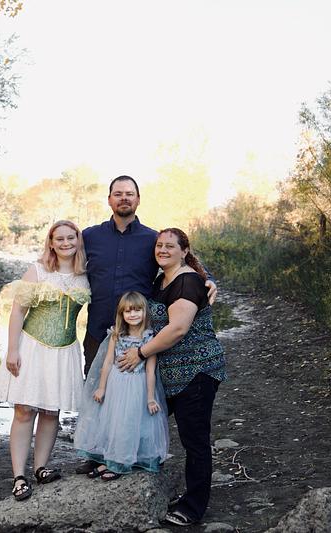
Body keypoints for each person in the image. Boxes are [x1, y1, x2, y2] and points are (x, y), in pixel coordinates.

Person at [76, 175, 216, 475]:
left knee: (134, 395)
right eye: (118, 193)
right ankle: (99, 453)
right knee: (100, 391)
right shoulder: (89, 237)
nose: (124, 198)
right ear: (109, 199)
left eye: (129, 193)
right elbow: (61, 256)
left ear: (138, 199)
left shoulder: (152, 239)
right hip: (99, 330)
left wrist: (208, 280)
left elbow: (181, 258)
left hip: (140, 335)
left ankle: (132, 453)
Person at [119, 228, 226, 527]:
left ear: (184, 250)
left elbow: (177, 329)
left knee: (194, 440)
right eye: (159, 245)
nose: (163, 250)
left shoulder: (187, 281)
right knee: (146, 419)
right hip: (170, 373)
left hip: (197, 370)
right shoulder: (161, 280)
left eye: (170, 246)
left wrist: (140, 353)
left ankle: (193, 508)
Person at [0, 220, 91, 501]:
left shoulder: (85, 274)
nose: (65, 243)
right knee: (25, 410)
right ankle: (19, 476)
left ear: (78, 240)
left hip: (65, 350)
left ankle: (40, 468)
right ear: (51, 242)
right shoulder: (37, 270)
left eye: (70, 238)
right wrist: (12, 350)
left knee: (51, 411)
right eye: (59, 239)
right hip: (33, 347)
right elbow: (17, 311)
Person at [74, 291, 169, 480]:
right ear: (121, 314)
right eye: (128, 311)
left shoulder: (149, 339)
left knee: (128, 423)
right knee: (113, 423)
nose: (133, 314)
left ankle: (121, 463)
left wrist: (151, 398)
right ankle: (108, 460)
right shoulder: (116, 335)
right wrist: (102, 387)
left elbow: (150, 370)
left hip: (137, 387)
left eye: (137, 310)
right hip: (115, 385)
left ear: (145, 312)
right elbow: (108, 362)